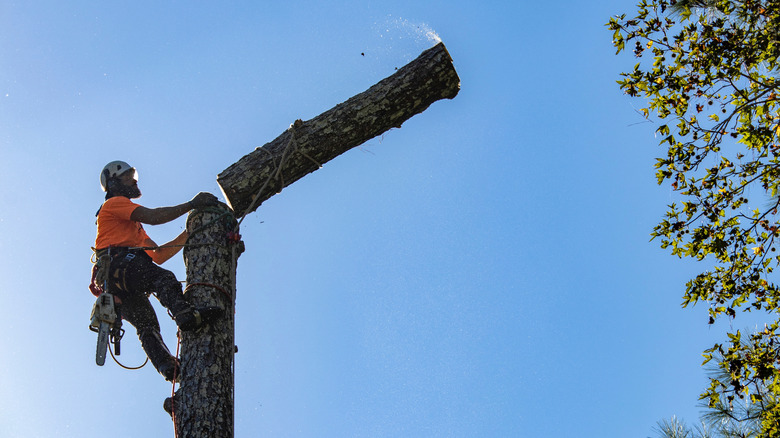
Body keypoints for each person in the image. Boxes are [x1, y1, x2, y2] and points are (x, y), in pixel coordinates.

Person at [93, 160, 221, 381]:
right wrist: (191, 204)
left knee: (147, 324)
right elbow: (153, 217)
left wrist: (189, 233)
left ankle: (167, 367)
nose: (134, 180)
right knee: (163, 279)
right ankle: (186, 315)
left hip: (115, 280)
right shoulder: (115, 203)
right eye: (128, 176)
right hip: (121, 265)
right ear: (114, 182)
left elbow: (159, 255)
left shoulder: (132, 229)